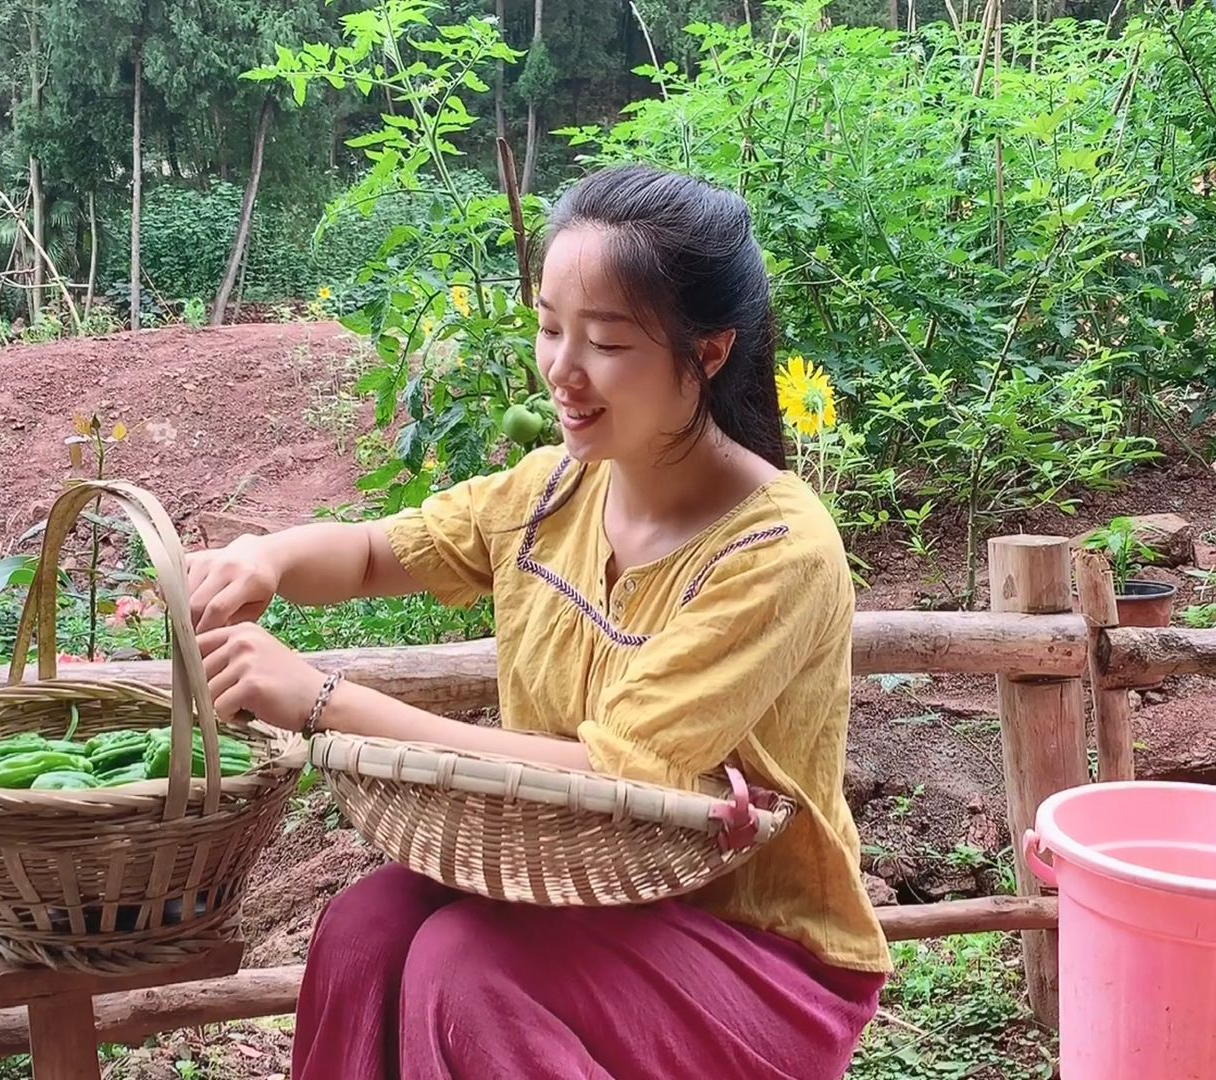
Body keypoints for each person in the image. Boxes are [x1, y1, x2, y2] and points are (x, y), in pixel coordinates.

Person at [186, 163, 889, 1079]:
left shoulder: (775, 551)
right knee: (364, 929)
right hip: (579, 887)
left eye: (605, 342)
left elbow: (610, 770)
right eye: (550, 328)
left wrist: (322, 700)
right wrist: (265, 558)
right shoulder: (554, 490)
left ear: (709, 352)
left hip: (751, 947)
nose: (561, 370)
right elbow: (369, 553)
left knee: (470, 969)